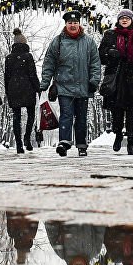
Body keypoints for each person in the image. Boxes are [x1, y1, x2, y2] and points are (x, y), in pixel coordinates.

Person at [40, 11, 102, 157]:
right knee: (66, 115)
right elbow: (49, 63)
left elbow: (95, 63)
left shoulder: (89, 42)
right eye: (70, 23)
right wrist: (45, 83)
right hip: (64, 86)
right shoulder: (58, 42)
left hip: (83, 86)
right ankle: (64, 142)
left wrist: (94, 80)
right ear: (66, 24)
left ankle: (81, 145)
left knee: (81, 117)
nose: (73, 25)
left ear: (79, 24)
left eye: (75, 22)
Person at [98, 8, 133, 155]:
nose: (124, 20)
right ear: (118, 20)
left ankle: (130, 142)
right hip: (116, 77)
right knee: (117, 111)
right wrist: (109, 53)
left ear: (132, 20)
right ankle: (118, 135)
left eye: (127, 18)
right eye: (122, 18)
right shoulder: (110, 35)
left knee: (132, 112)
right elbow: (100, 55)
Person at [3, 28, 41, 154]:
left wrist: (8, 92)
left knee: (16, 118)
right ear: (25, 44)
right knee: (31, 115)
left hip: (14, 90)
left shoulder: (9, 58)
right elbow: (32, 74)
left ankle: (19, 144)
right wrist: (38, 89)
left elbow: (6, 77)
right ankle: (27, 138)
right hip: (28, 89)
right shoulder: (28, 56)